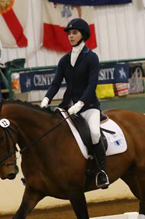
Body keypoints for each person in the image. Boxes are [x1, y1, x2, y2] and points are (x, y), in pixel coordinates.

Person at [40, 18, 109, 189]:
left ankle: (102, 171)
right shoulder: (64, 60)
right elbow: (56, 83)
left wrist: (80, 104)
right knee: (49, 132)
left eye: (74, 33)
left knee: (93, 133)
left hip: (88, 107)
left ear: (83, 35)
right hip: (66, 106)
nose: (71, 36)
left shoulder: (91, 57)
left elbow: (92, 85)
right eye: (69, 33)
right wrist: (46, 99)